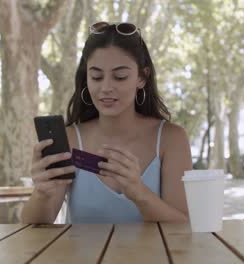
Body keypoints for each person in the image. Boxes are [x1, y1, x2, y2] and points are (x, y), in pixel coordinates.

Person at [22, 22, 192, 224]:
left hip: (154, 257)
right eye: (96, 76)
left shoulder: (171, 139)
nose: (106, 88)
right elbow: (35, 227)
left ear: (142, 77)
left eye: (120, 77)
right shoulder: (70, 139)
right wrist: (41, 193)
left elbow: (183, 226)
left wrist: (139, 193)